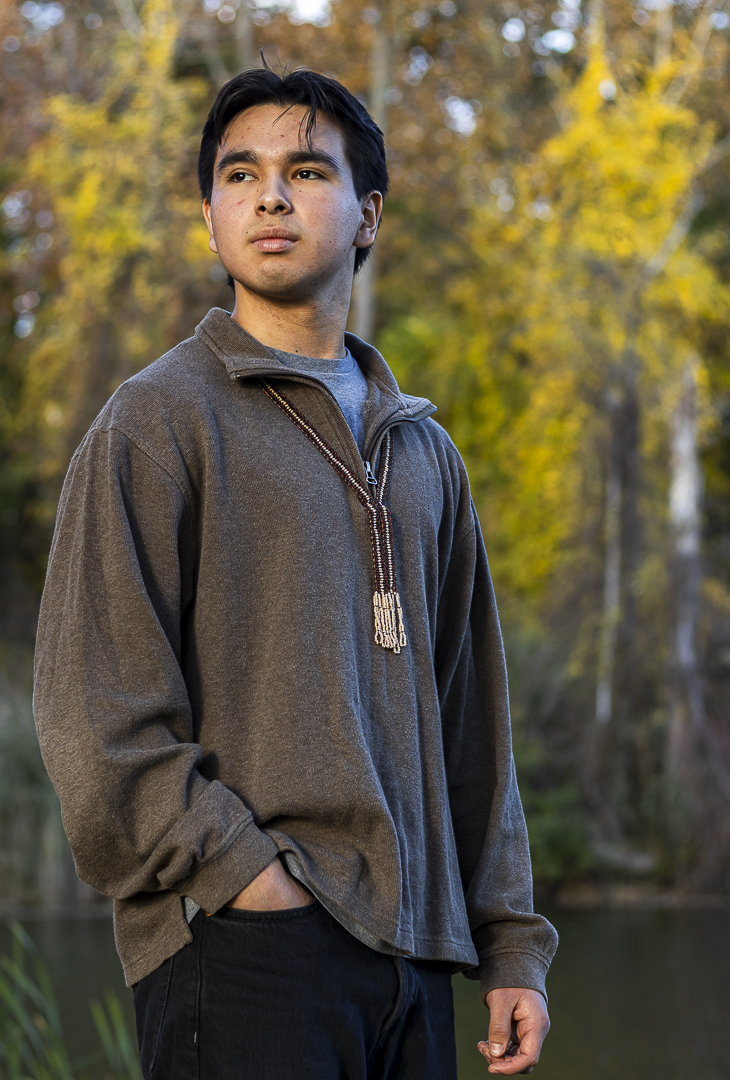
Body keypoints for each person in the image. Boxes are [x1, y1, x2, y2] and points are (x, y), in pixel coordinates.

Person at [33, 65, 557, 1080]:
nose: (270, 195)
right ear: (210, 215)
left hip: (418, 958)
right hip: (246, 947)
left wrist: (511, 945)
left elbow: (473, 723)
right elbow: (93, 715)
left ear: (367, 220)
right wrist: (248, 878)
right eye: (241, 174)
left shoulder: (422, 452)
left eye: (306, 169)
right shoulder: (155, 423)